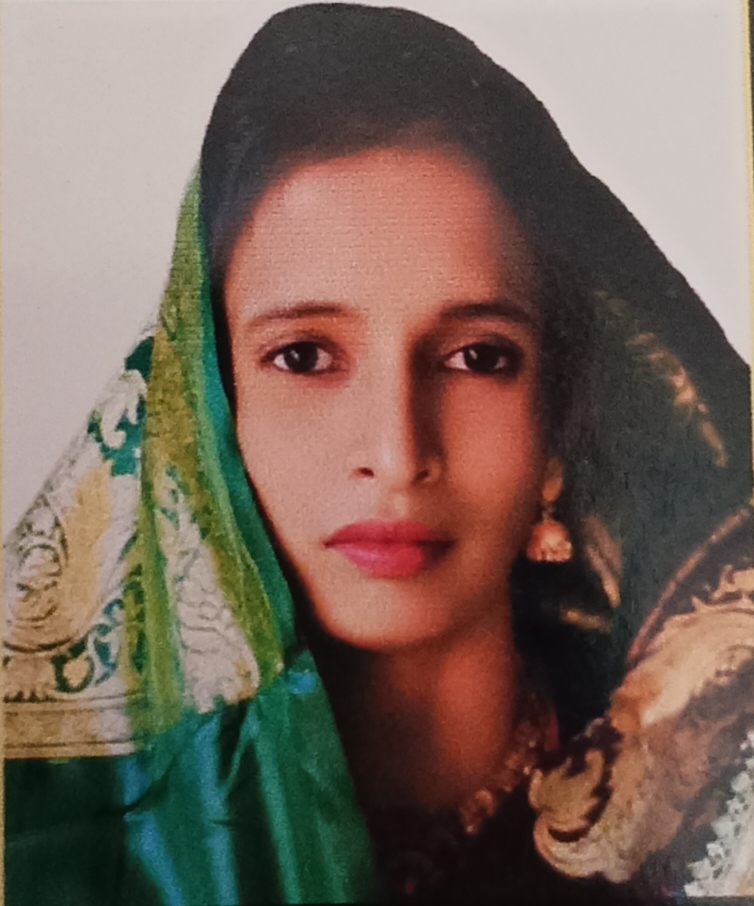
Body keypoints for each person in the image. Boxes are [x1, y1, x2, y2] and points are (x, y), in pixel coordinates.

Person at [5, 4, 754, 903]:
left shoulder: (718, 811)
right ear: (203, 416)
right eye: (304, 357)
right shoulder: (56, 839)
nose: (397, 453)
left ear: (558, 424)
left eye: (477, 358)